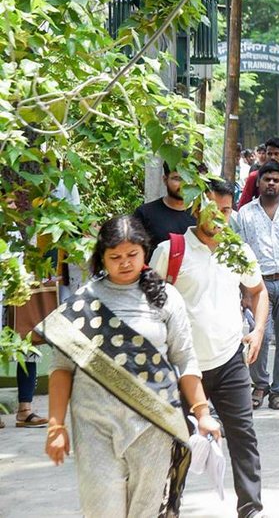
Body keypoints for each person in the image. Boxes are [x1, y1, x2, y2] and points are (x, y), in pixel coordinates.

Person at [42, 216, 220, 517]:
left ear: (145, 252)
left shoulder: (166, 298)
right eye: (115, 257)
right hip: (94, 427)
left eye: (132, 255)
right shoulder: (83, 302)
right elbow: (61, 369)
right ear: (102, 257)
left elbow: (185, 358)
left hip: (153, 426)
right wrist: (55, 426)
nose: (124, 263)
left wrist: (203, 414)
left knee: (145, 511)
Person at [151, 180, 269, 518]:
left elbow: (258, 291)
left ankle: (251, 508)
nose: (219, 217)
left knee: (243, 437)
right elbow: (149, 303)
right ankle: (168, 507)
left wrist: (258, 331)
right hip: (183, 366)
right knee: (178, 442)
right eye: (211, 209)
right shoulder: (170, 251)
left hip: (230, 358)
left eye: (226, 211)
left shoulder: (237, 250)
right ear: (196, 208)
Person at [233, 162, 279, 411]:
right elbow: (239, 252)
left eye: (276, 180)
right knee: (260, 335)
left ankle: (278, 390)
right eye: (267, 179)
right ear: (258, 182)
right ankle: (260, 384)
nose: (271, 184)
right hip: (258, 282)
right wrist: (244, 290)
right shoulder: (245, 213)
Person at [133, 161, 196, 248]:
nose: (183, 185)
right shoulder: (144, 213)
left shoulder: (203, 213)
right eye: (177, 178)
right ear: (165, 180)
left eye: (189, 179)